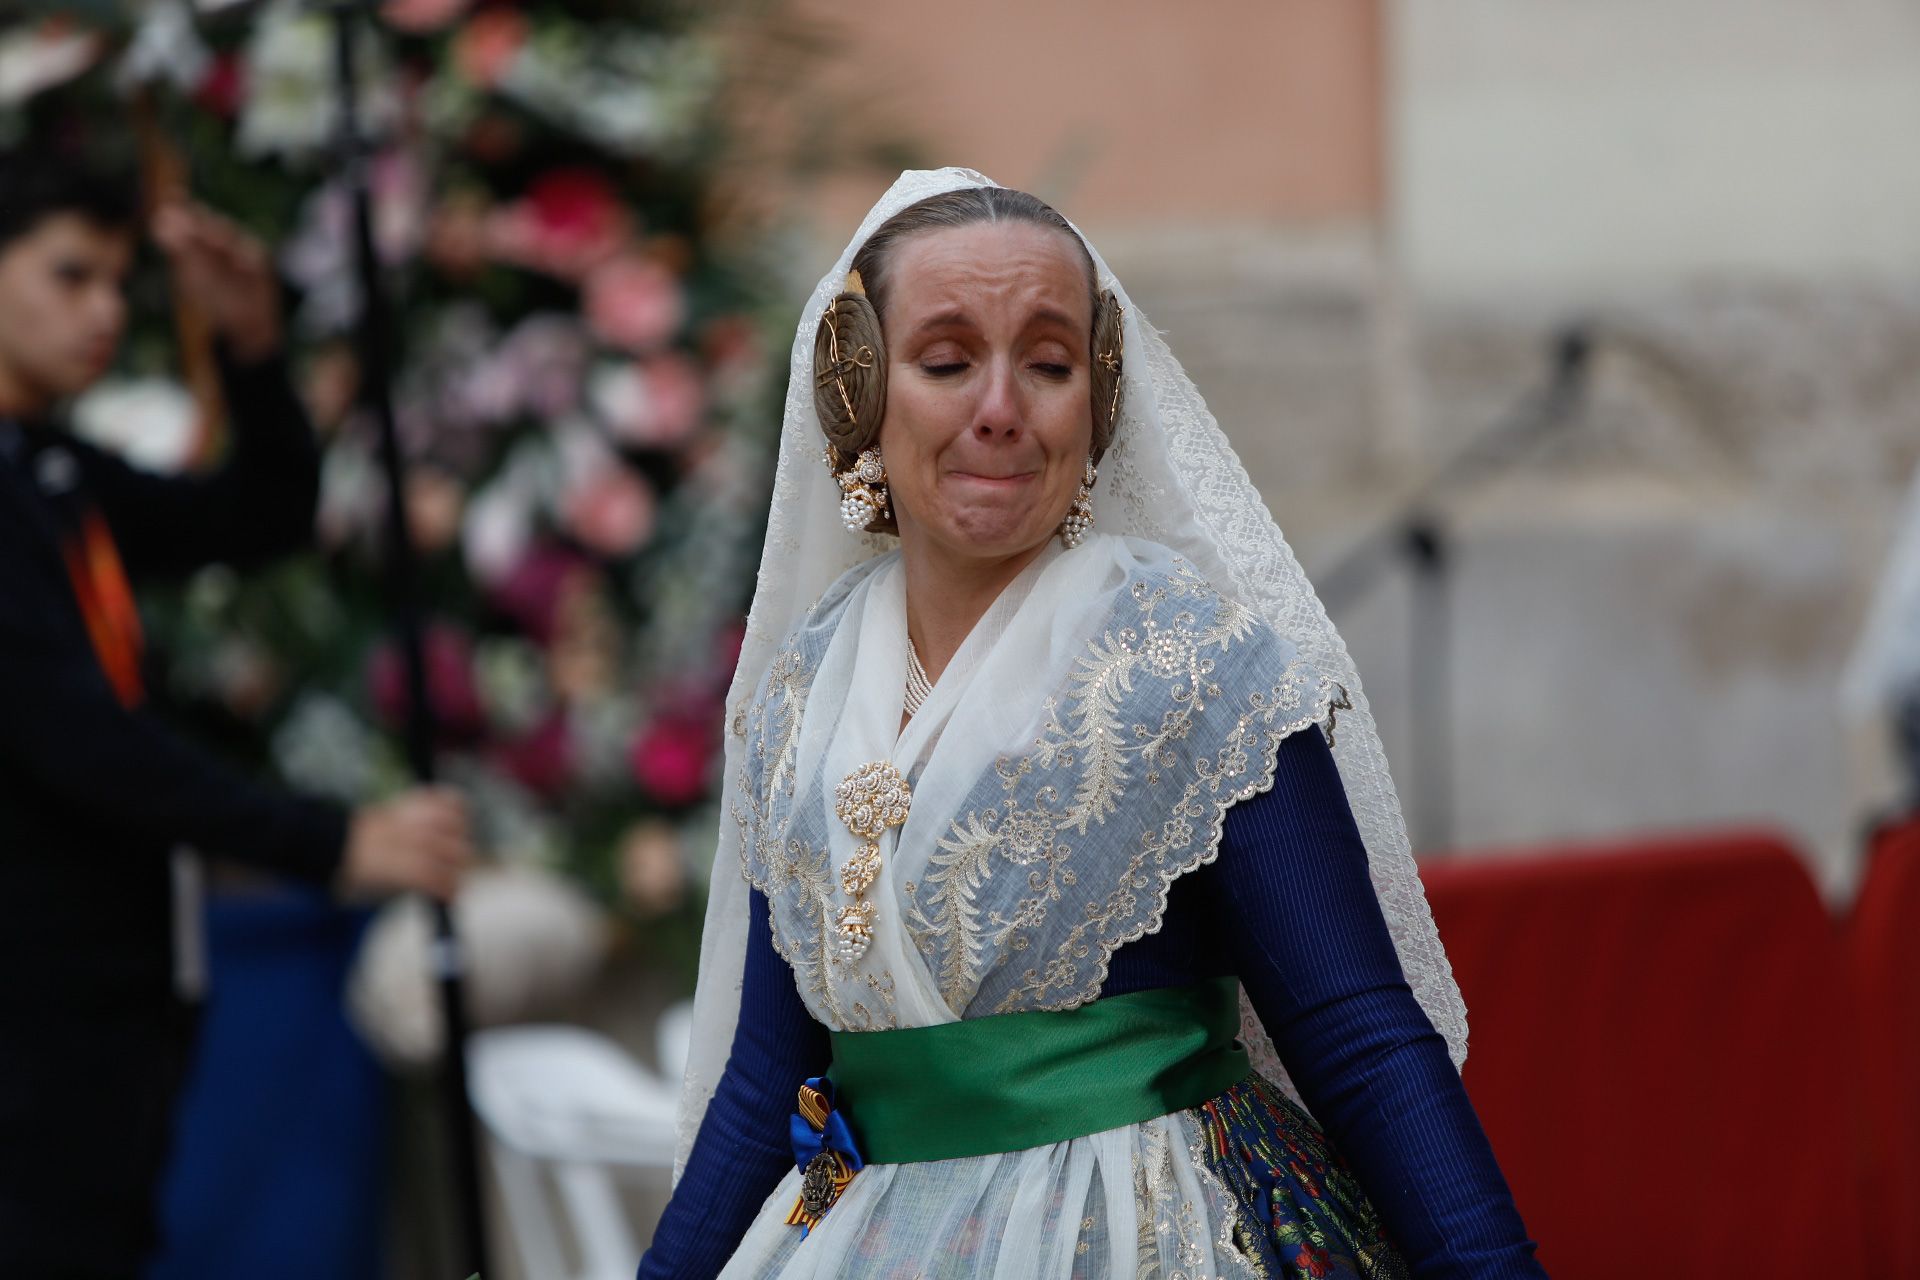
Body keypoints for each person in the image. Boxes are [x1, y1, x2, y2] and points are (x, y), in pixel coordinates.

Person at [638, 170, 1544, 1278]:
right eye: (946, 359)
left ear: (1099, 399)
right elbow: (762, 1084)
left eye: (1050, 362)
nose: (1002, 406)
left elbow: (1358, 1038)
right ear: (861, 391)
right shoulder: (798, 695)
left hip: (1154, 1231)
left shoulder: (1193, 660)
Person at [0, 155, 472, 1277]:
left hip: (104, 1000)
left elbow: (258, 516)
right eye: (70, 276)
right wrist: (334, 839)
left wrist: (256, 350)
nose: (106, 311)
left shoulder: (48, 469)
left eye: (121, 284)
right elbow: (82, 742)